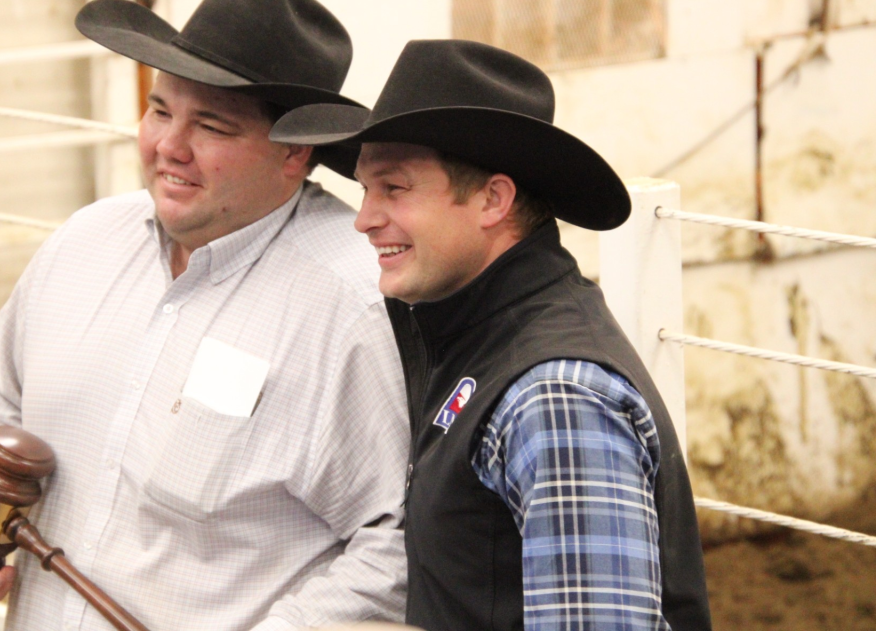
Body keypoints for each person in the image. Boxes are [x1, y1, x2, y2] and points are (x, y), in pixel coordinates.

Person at [0, 0, 409, 631]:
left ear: (295, 154)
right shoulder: (82, 244)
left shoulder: (351, 308)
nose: (168, 147)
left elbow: (393, 543)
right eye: (159, 109)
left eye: (211, 125)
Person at [270, 39, 713, 630]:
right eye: (365, 189)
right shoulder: (469, 333)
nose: (365, 217)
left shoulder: (553, 397)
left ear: (493, 199)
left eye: (394, 188)